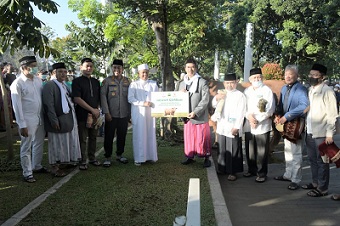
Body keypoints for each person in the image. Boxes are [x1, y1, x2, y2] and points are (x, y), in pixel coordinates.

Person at [301, 63, 338, 197]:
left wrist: (329, 134)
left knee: (322, 160)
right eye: (310, 74)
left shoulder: (327, 91)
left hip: (322, 132)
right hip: (310, 130)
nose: (312, 77)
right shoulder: (311, 89)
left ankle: (322, 188)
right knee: (312, 159)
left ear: (322, 77)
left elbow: (332, 114)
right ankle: (315, 183)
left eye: (315, 75)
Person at [10, 56, 48, 182]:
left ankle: (36, 166)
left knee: (38, 142)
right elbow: (17, 106)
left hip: (39, 117)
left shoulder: (37, 80)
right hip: (27, 119)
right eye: (33, 66)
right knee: (26, 146)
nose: (35, 68)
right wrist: (22, 124)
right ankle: (27, 172)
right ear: (24, 68)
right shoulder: (17, 84)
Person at [42, 63, 81, 177]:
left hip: (68, 118)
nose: (63, 74)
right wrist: (54, 120)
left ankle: (64, 162)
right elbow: (48, 105)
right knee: (56, 143)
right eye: (60, 72)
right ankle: (54, 166)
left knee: (66, 142)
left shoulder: (64, 85)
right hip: (58, 119)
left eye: (65, 72)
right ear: (54, 73)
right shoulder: (50, 85)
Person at [274, 65, 309, 190]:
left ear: (296, 75)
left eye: (290, 74)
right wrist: (278, 115)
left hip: (296, 124)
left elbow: (304, 106)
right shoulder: (284, 88)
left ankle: (296, 179)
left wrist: (287, 116)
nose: (287, 76)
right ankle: (288, 174)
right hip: (286, 124)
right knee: (287, 151)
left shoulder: (301, 89)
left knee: (296, 153)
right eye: (286, 74)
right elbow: (280, 104)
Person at [175, 59, 211, 168]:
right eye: (188, 67)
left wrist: (195, 112)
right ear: (185, 68)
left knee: (202, 138)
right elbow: (175, 98)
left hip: (199, 115)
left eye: (192, 67)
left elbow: (205, 100)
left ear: (196, 68)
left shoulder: (202, 82)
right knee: (189, 137)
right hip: (186, 116)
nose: (190, 69)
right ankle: (189, 156)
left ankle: (206, 157)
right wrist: (179, 94)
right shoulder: (180, 83)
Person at [242, 68, 275, 183]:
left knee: (262, 151)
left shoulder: (267, 91)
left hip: (262, 124)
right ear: (250, 79)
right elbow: (243, 107)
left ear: (262, 78)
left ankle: (262, 173)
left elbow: (270, 109)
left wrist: (257, 120)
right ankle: (252, 170)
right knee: (250, 149)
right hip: (249, 122)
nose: (257, 79)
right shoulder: (247, 91)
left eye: (259, 77)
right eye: (254, 78)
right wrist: (249, 118)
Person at [212, 73, 246, 180]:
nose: (229, 85)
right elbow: (214, 105)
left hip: (233, 126)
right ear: (224, 83)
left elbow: (241, 112)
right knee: (222, 148)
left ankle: (233, 172)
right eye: (227, 83)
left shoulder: (240, 95)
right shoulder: (222, 93)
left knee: (233, 149)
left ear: (236, 83)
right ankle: (222, 168)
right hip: (222, 125)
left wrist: (237, 126)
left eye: (232, 83)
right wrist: (216, 98)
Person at [72, 58, 101, 170]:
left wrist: (97, 110)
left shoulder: (95, 82)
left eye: (91, 66)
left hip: (95, 115)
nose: (89, 68)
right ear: (81, 67)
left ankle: (92, 158)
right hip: (82, 115)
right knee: (82, 139)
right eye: (86, 66)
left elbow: (98, 98)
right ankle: (82, 160)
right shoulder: (77, 81)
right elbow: (77, 99)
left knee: (93, 137)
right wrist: (91, 109)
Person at [101, 59, 130, 167]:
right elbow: (103, 97)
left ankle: (120, 155)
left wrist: (129, 114)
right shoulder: (107, 81)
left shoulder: (127, 81)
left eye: (119, 68)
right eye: (115, 67)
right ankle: (107, 157)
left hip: (123, 114)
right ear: (112, 68)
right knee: (109, 136)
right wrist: (106, 112)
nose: (117, 70)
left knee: (122, 135)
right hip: (111, 114)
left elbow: (130, 99)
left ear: (122, 69)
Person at [128, 63, 158, 166]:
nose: (144, 74)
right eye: (142, 73)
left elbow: (158, 97)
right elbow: (130, 98)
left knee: (150, 134)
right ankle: (139, 158)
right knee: (139, 135)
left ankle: (150, 157)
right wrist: (142, 103)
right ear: (138, 74)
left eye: (146, 72)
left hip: (150, 113)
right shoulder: (134, 84)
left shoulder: (153, 84)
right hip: (139, 112)